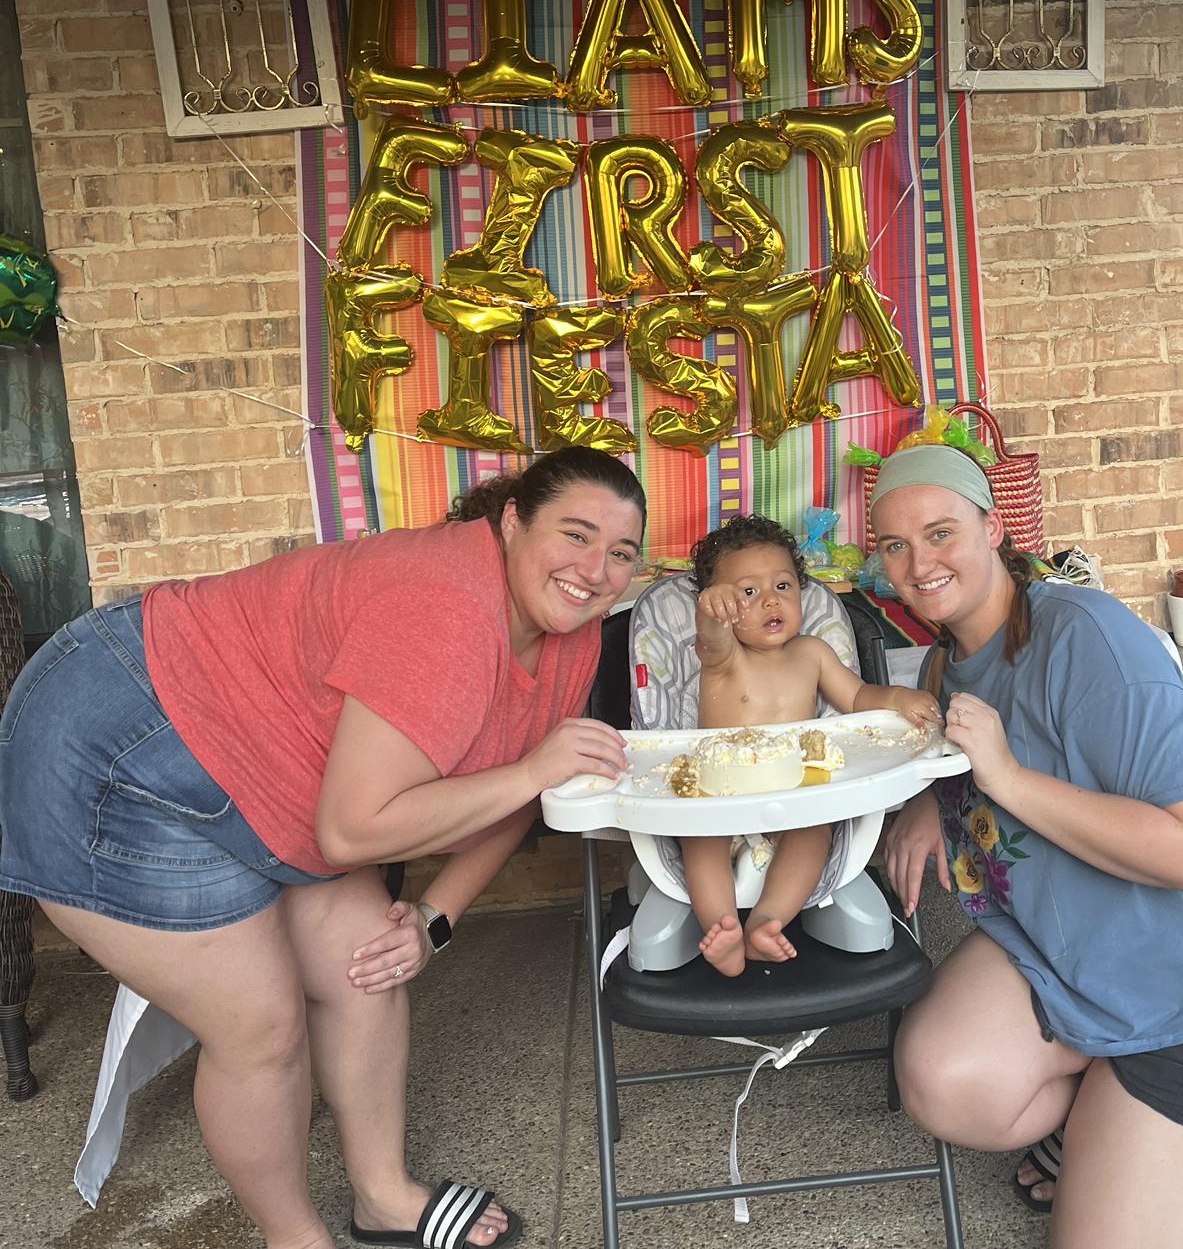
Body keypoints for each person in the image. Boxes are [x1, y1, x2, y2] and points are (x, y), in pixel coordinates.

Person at [0, 446, 647, 1249]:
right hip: (118, 736)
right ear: (511, 520)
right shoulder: (448, 613)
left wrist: (432, 919)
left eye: (621, 552)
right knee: (262, 1027)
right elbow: (359, 829)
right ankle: (294, 1237)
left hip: (260, 753)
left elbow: (529, 786)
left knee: (366, 957)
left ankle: (382, 1198)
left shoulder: (567, 630)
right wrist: (528, 770)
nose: (597, 569)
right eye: (576, 535)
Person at [873, 445, 1183, 1247]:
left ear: (994, 527)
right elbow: (977, 746)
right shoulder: (945, 665)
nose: (918, 562)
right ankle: (1124, 1112)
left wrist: (1000, 776)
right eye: (894, 545)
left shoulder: (1088, 636)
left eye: (939, 532)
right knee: (941, 1080)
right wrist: (933, 802)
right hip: (1084, 966)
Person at [682, 515, 940, 977]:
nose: (769, 600)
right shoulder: (725, 658)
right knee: (700, 838)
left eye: (783, 586)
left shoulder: (812, 654)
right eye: (746, 593)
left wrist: (897, 698)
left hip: (794, 794)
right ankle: (721, 929)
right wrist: (711, 613)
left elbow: (859, 698)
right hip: (721, 793)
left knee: (814, 834)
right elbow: (711, 639)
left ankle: (767, 921)